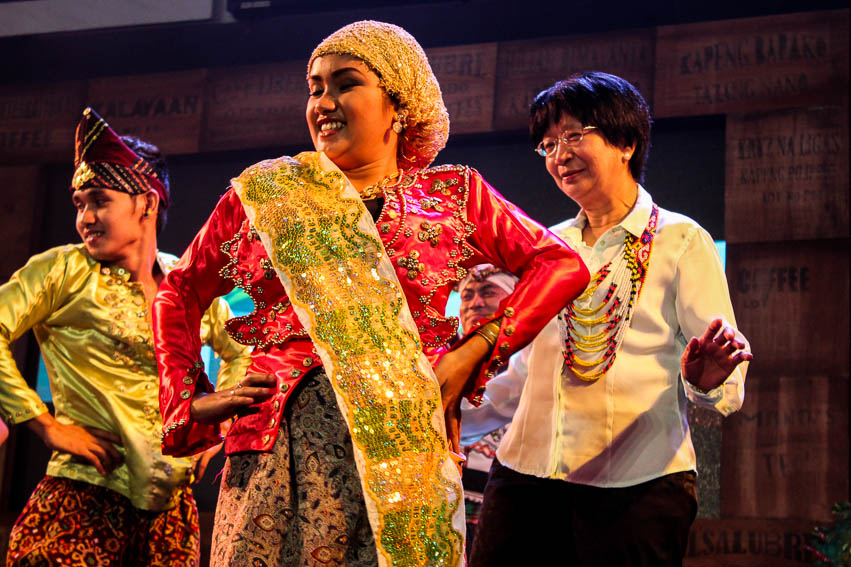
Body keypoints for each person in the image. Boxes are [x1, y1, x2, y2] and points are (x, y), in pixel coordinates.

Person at [153, 20, 589, 567]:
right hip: (275, 447)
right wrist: (187, 398)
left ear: (398, 105)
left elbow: (560, 264)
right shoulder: (266, 193)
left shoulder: (452, 195)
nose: (324, 102)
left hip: (402, 451)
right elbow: (177, 293)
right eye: (315, 88)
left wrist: (472, 351)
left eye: (346, 83)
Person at [468, 72, 753, 567]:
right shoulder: (546, 246)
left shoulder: (682, 240)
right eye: (548, 144)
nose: (559, 155)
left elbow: (725, 380)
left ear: (625, 142)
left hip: (636, 486)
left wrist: (705, 383)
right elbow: (522, 378)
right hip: (524, 480)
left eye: (575, 135)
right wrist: (438, 414)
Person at [0, 108, 251, 567]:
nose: (85, 218)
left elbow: (243, 352)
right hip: (82, 497)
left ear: (147, 202)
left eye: (98, 200)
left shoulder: (184, 282)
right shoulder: (63, 270)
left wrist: (215, 433)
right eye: (78, 204)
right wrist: (45, 424)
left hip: (171, 512)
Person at [455, 265, 520, 554]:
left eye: (488, 292)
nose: (475, 303)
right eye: (467, 296)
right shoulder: (440, 362)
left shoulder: (529, 365)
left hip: (510, 516)